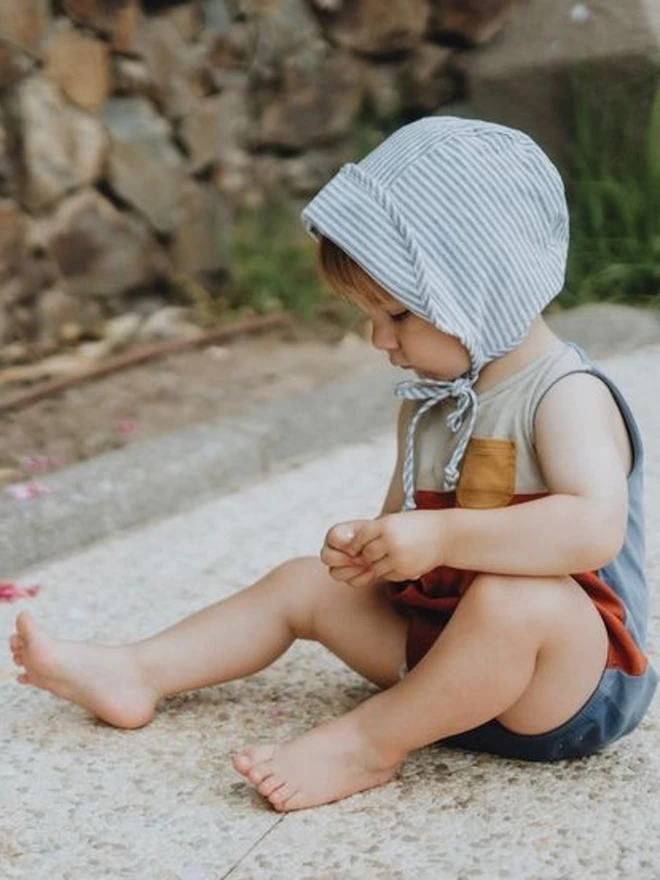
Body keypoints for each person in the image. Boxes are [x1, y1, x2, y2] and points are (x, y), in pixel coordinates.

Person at [9, 117, 657, 813]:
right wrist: (376, 550)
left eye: (399, 314)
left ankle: (369, 744)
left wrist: (442, 538)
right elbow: (404, 529)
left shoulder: (564, 395)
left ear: (483, 287)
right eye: (369, 314)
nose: (380, 339)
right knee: (303, 583)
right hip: (439, 662)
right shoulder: (430, 402)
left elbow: (592, 528)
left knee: (516, 599)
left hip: (560, 689)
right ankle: (137, 670)